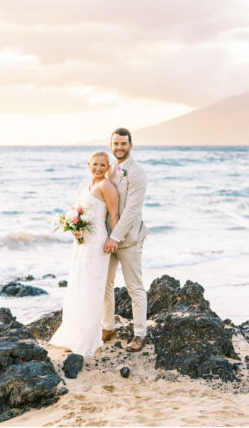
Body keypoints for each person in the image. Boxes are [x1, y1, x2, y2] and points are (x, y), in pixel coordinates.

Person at [49, 151, 119, 356]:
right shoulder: (84, 186)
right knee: (79, 285)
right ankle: (74, 332)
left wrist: (114, 239)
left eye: (103, 165)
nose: (98, 168)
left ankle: (86, 337)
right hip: (81, 242)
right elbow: (78, 212)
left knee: (92, 287)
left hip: (97, 242)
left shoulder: (106, 186)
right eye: (95, 164)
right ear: (89, 165)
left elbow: (114, 214)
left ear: (107, 168)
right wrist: (74, 228)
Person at [102, 128, 149, 352]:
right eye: (116, 143)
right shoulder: (109, 169)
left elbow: (131, 210)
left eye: (123, 143)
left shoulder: (137, 171)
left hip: (128, 239)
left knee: (134, 287)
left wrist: (115, 236)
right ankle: (108, 327)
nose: (119, 147)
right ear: (111, 145)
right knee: (106, 284)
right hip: (107, 239)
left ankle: (140, 334)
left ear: (131, 145)